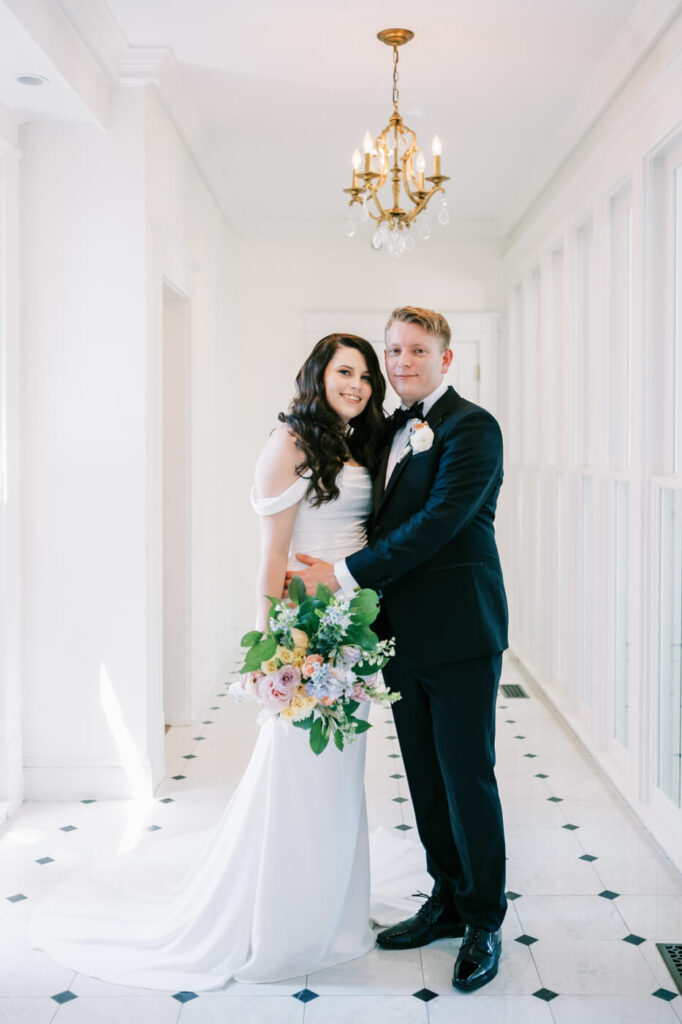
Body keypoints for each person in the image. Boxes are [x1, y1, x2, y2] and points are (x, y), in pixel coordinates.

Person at [30, 333, 390, 989]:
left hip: (351, 627)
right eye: (345, 371)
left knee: (340, 774)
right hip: (303, 630)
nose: (357, 385)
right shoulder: (290, 443)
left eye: (365, 375)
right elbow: (271, 555)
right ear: (318, 374)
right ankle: (283, 921)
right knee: (298, 772)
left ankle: (336, 912)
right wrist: (267, 648)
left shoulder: (355, 441)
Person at [288, 306, 509, 992]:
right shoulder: (386, 432)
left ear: (446, 359)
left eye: (417, 350)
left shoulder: (473, 428)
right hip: (398, 638)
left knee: (466, 775)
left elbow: (442, 522)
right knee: (423, 776)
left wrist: (344, 576)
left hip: (462, 633)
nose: (403, 362)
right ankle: (444, 898)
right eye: (394, 351)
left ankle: (483, 917)